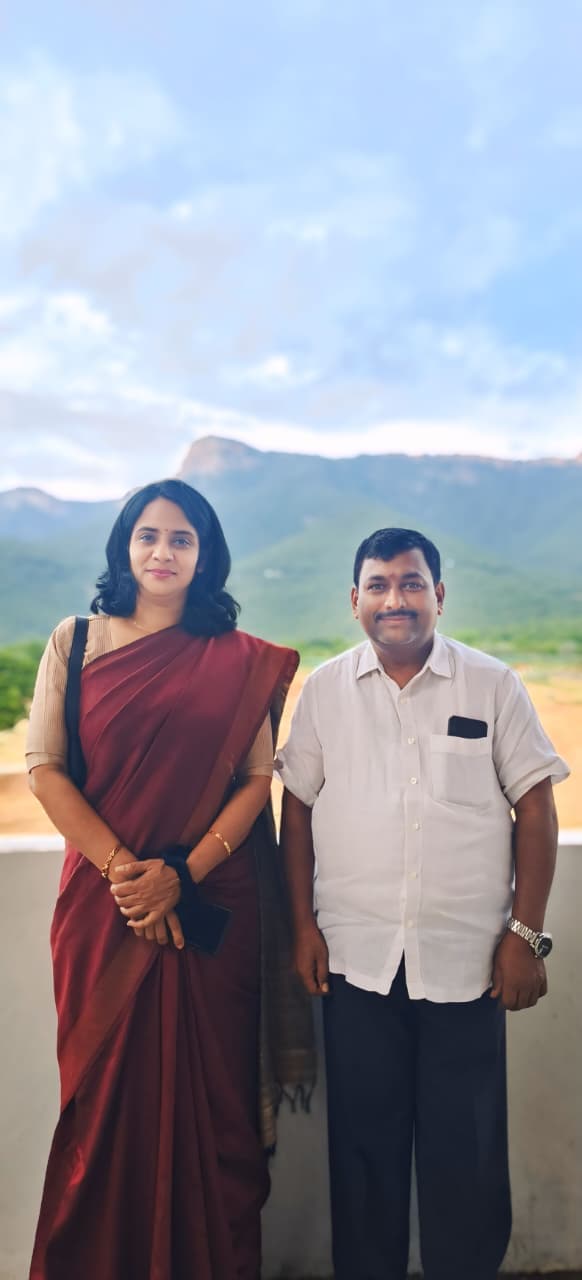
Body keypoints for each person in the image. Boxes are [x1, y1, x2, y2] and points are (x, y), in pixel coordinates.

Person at [26, 477, 314, 1280]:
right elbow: (45, 768)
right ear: (125, 544)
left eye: (182, 539)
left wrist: (180, 876)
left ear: (206, 556)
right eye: (149, 534)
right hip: (101, 910)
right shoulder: (75, 642)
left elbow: (259, 779)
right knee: (102, 1106)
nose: (163, 551)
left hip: (212, 909)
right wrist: (129, 877)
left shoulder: (238, 660)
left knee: (216, 1110)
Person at [277, 526, 569, 1280]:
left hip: (468, 962)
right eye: (378, 585)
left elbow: (535, 809)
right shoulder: (326, 692)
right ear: (354, 601)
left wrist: (525, 936)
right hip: (356, 964)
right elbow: (298, 808)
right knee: (363, 1156)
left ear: (439, 595)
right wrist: (302, 926)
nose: (395, 600)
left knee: (464, 1154)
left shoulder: (491, 684)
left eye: (411, 584)